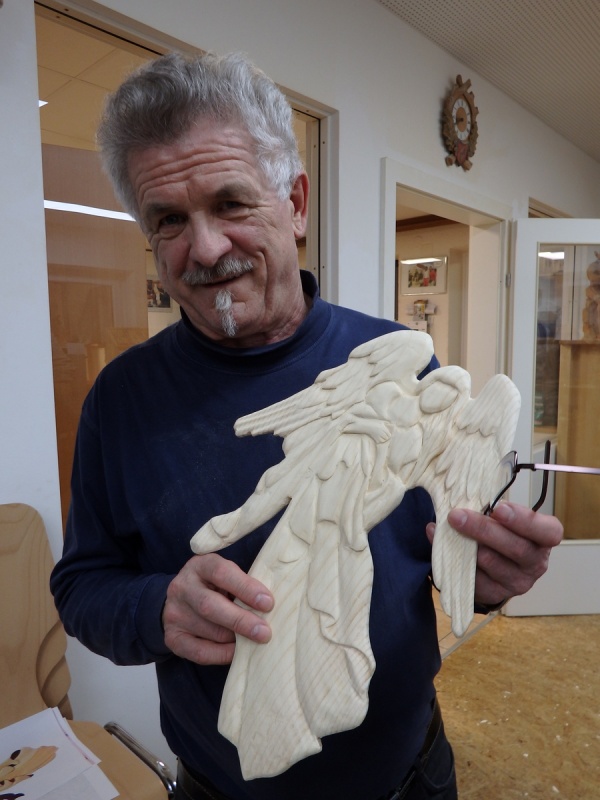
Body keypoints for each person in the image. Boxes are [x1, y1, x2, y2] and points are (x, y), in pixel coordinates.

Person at [50, 52, 563, 800]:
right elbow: (81, 586)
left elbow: (448, 549)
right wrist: (155, 609)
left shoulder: (401, 364)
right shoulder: (119, 400)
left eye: (231, 203)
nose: (205, 248)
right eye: (169, 221)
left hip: (413, 777)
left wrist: (490, 578)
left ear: (295, 203)